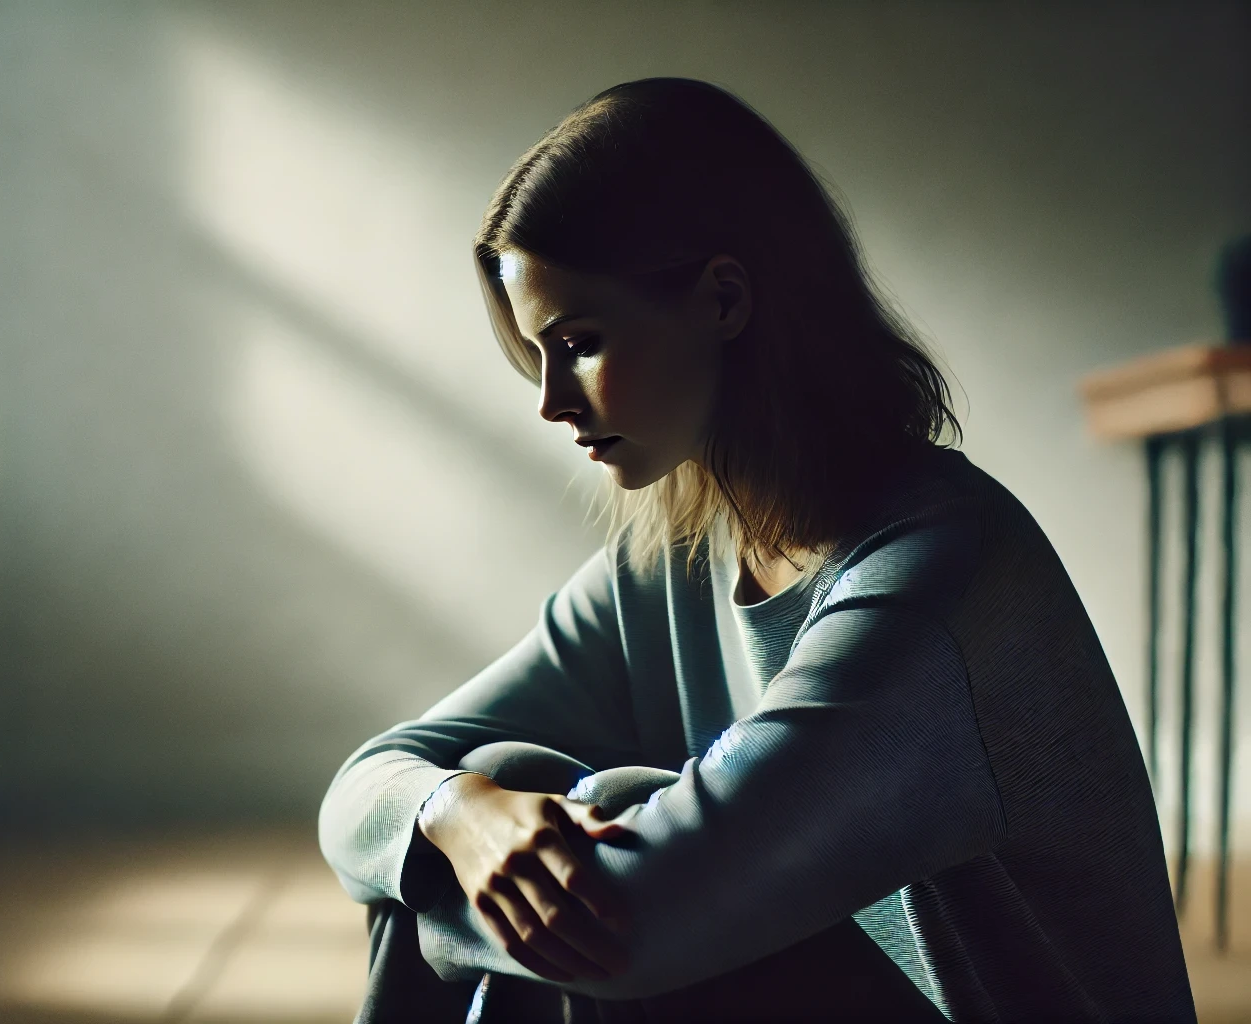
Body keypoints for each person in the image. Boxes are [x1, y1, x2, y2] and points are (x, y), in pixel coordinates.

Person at [316, 77, 1195, 1022]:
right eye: (539, 357)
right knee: (506, 805)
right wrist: (453, 816)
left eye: (578, 341)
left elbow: (637, 926)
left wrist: (429, 892)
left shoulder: (934, 580)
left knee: (565, 855)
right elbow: (370, 782)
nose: (550, 402)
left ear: (724, 299)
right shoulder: (669, 567)